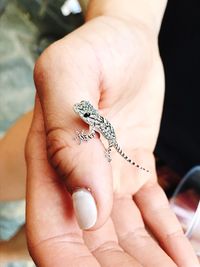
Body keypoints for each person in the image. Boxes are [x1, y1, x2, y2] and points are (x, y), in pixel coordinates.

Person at [0, 0, 199, 266]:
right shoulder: (92, 116)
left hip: (170, 169)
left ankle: (8, 251)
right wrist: (129, 19)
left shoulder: (95, 125)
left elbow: (97, 131)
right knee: (43, 152)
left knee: (77, 222)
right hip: (135, 91)